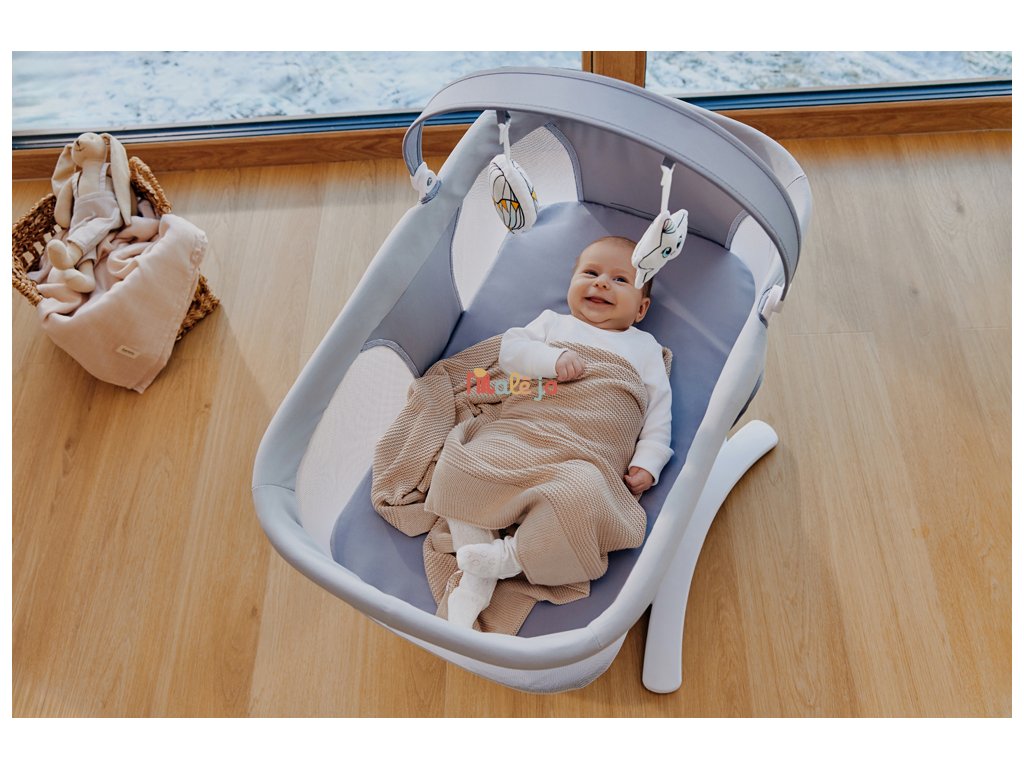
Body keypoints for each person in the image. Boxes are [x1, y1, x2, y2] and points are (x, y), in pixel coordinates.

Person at [446, 235, 673, 627]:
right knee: (460, 465)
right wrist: (550, 359)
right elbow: (510, 352)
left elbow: (658, 412)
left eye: (620, 279)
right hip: (525, 431)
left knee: (583, 495)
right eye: (590, 272)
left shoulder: (646, 348)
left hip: (585, 455)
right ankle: (476, 576)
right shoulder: (554, 324)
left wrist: (649, 461)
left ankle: (511, 557)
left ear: (641, 308)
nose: (601, 283)